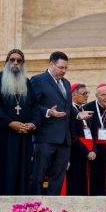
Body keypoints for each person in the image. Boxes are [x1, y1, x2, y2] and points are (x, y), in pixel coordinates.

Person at [30, 51, 93, 195]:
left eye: (66, 68)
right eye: (60, 67)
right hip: (45, 138)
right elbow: (32, 105)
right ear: (51, 64)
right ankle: (34, 209)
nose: (63, 71)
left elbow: (67, 106)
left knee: (57, 177)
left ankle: (53, 211)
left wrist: (78, 115)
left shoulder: (66, 83)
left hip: (64, 139)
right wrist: (47, 112)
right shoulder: (38, 80)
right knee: (39, 176)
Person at [0, 49, 39, 195]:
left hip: (24, 136)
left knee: (23, 172)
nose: (15, 63)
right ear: (7, 62)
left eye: (19, 60)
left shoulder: (27, 82)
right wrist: (10, 123)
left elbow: (35, 106)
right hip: (5, 136)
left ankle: (21, 208)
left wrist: (33, 124)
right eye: (12, 60)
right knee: (5, 171)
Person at [66, 83, 95, 196]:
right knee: (76, 185)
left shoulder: (84, 109)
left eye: (87, 93)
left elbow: (91, 134)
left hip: (88, 154)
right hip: (76, 155)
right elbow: (72, 136)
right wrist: (86, 152)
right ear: (74, 95)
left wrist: (94, 150)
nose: (86, 96)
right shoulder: (70, 111)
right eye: (84, 93)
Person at [84, 84, 106, 195]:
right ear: (97, 96)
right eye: (103, 95)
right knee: (96, 177)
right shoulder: (88, 108)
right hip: (95, 149)